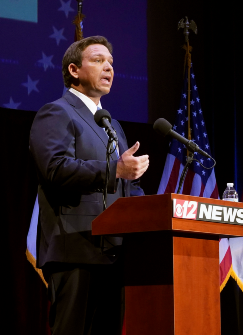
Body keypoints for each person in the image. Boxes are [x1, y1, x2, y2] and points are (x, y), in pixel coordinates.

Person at [29, 36, 149, 334]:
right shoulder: (56, 112)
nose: (108, 67)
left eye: (111, 62)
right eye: (97, 60)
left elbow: (122, 185)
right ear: (74, 70)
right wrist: (117, 169)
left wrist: (152, 205)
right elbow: (56, 170)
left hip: (112, 253)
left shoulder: (111, 124)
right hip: (75, 248)